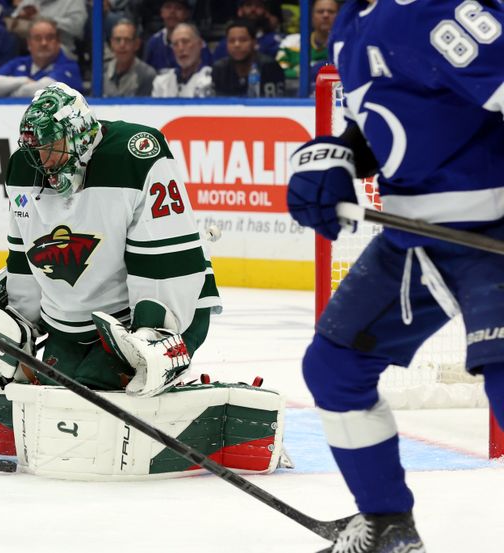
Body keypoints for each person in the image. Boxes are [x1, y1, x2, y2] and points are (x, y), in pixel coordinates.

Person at [286, 0, 504, 551]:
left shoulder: (445, 9)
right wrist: (338, 155)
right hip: (412, 239)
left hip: (493, 236)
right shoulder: (350, 22)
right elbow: (379, 120)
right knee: (335, 367)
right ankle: (387, 526)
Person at [0, 81, 220, 401]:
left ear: (78, 134)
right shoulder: (22, 170)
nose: (42, 159)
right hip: (75, 325)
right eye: (35, 147)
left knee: (92, 389)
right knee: (52, 395)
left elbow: (162, 260)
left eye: (51, 145)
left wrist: (153, 333)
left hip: (146, 314)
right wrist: (16, 333)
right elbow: (23, 262)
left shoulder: (136, 156)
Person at [0, 17, 82, 97]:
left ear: (58, 41)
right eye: (38, 38)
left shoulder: (69, 67)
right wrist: (23, 80)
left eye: (50, 38)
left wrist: (9, 92)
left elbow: (43, 90)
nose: (44, 43)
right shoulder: (19, 63)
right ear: (29, 43)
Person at [212, 19, 285, 97]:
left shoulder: (269, 66)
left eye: (243, 40)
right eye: (231, 41)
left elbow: (274, 103)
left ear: (254, 42)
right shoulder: (219, 68)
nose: (237, 45)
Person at [276, 0, 338, 88]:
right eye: (320, 11)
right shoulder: (290, 43)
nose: (325, 15)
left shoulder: (347, 46)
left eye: (331, 12)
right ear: (312, 16)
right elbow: (279, 73)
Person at [143, 0, 212, 72]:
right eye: (168, 7)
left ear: (187, 13)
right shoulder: (153, 42)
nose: (172, 12)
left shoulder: (199, 45)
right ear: (161, 12)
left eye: (178, 8)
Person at [6, 0, 87, 59]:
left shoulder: (74, 2)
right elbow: (13, 18)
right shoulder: (30, 2)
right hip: (25, 46)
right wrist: (21, 16)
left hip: (60, 46)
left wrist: (42, 20)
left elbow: (77, 28)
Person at [151, 22, 213, 98]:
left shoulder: (211, 80)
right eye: (175, 44)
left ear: (199, 44)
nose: (180, 48)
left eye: (185, 42)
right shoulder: (161, 82)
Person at [212, 0, 284, 61]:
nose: (253, 9)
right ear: (240, 11)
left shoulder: (278, 42)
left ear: (266, 12)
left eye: (258, 6)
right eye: (248, 5)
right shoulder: (227, 43)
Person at [103, 19, 156, 97]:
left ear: (137, 44)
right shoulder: (101, 71)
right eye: (118, 40)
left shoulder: (147, 75)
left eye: (127, 40)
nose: (122, 45)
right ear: (111, 43)